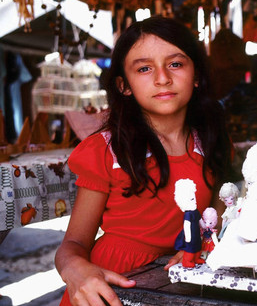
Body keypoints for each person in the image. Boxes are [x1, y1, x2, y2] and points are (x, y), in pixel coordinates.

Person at [55, 16, 233, 306]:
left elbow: (219, 212)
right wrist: (75, 270)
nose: (162, 77)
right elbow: (72, 245)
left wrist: (203, 243)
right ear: (124, 86)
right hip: (114, 285)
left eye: (175, 64)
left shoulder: (211, 143)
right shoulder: (107, 151)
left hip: (183, 280)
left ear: (197, 75)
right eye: (144, 68)